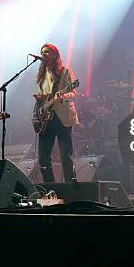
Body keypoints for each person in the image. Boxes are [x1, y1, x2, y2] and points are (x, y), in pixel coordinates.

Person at [34, 43, 79, 182]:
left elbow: (73, 93)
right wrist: (39, 109)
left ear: (54, 54)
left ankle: (71, 187)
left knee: (66, 156)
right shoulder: (42, 76)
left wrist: (62, 97)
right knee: (43, 158)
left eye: (46, 52)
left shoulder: (64, 71)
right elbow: (42, 98)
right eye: (42, 52)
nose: (43, 55)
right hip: (46, 119)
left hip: (62, 117)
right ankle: (50, 188)